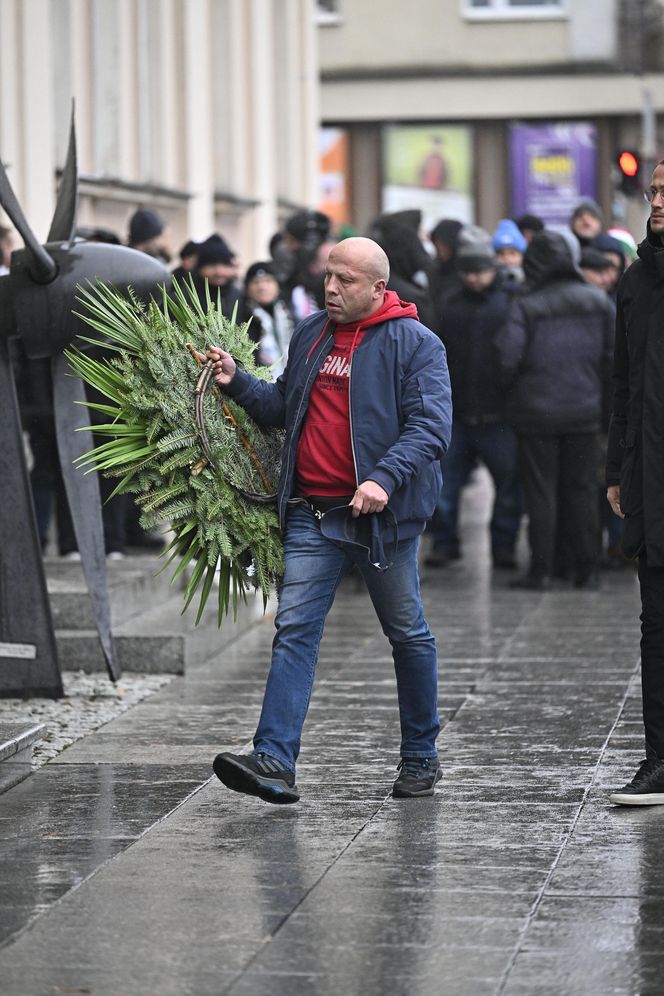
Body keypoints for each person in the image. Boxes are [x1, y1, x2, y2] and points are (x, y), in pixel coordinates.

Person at [204, 236, 452, 804]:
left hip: (381, 521)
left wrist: (382, 479)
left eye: (346, 281)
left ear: (378, 288)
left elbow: (431, 428)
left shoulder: (417, 344)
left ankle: (420, 755)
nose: (332, 288)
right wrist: (237, 380)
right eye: (329, 277)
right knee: (294, 630)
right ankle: (273, 759)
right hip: (312, 513)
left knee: (407, 633)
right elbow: (282, 408)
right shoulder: (313, 332)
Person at [495, 229, 614, 590]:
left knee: (541, 491)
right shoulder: (597, 300)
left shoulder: (527, 304)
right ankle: (586, 568)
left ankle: (541, 570)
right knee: (581, 490)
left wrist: (510, 394)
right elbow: (614, 358)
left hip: (536, 414)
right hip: (586, 411)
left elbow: (506, 358)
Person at [606, 160, 664, 805]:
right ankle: (659, 759)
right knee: (657, 621)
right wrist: (617, 469)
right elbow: (622, 384)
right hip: (650, 475)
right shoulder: (637, 281)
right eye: (653, 190)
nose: (655, 200)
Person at [427, 226, 521, 569]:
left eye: (479, 271)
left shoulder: (509, 300)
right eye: (468, 272)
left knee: (508, 487)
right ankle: (445, 543)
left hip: (498, 412)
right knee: (445, 485)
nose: (474, 278)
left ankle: (503, 547)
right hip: (460, 411)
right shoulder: (452, 304)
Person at [238, 260, 294, 376]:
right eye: (256, 282)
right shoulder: (242, 320)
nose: (262, 287)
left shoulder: (288, 314)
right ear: (247, 289)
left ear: (278, 286)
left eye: (268, 281)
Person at [492, 218, 528, 287]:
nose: (507, 258)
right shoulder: (492, 282)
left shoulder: (529, 278)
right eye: (501, 254)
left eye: (512, 253)